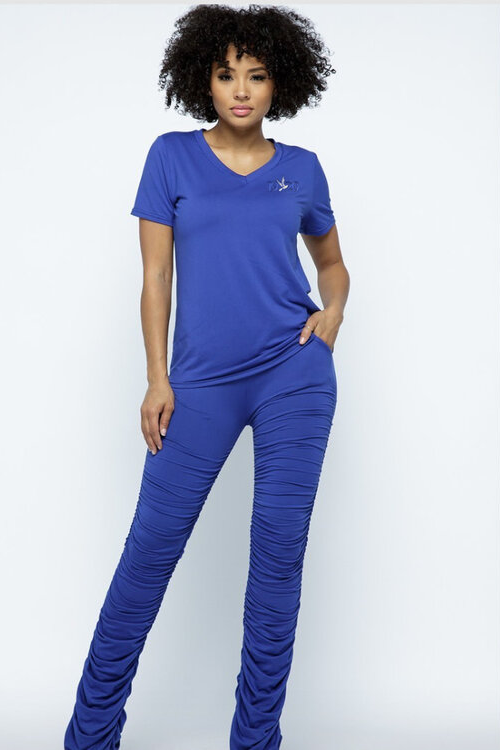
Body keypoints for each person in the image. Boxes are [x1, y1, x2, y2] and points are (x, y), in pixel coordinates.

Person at [64, 5, 350, 749]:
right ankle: (89, 738)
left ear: (279, 83)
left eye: (256, 75)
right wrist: (157, 380)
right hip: (199, 383)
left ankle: (256, 741)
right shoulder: (170, 157)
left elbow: (332, 265)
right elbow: (155, 277)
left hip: (294, 376)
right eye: (227, 75)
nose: (242, 90)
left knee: (277, 564)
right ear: (204, 80)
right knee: (147, 557)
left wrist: (332, 314)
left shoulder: (302, 170)